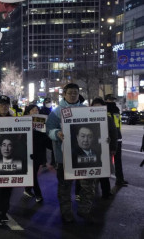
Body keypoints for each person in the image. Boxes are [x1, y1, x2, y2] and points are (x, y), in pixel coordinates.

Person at [46, 83, 96, 223]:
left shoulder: (86, 110)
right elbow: (49, 129)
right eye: (70, 93)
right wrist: (57, 133)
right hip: (64, 158)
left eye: (75, 92)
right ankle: (66, 213)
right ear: (64, 94)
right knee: (64, 187)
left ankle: (84, 210)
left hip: (85, 157)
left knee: (88, 186)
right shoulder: (57, 112)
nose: (73, 95)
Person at [0, 95, 15, 226]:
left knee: (8, 188)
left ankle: (4, 211)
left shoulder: (16, 121)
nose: (3, 107)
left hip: (11, 160)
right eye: (1, 104)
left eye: (6, 104)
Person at [23, 104, 51, 203]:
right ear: (28, 112)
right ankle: (38, 194)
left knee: (32, 173)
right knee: (32, 174)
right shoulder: (23, 122)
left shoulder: (41, 123)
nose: (35, 112)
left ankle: (27, 189)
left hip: (39, 152)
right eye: (33, 110)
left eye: (37, 110)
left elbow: (45, 139)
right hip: (27, 152)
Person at [91, 97, 117, 199]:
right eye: (95, 106)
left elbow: (114, 134)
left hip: (104, 149)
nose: (97, 108)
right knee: (91, 172)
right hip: (91, 150)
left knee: (104, 172)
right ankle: (89, 192)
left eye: (99, 106)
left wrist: (113, 147)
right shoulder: (86, 117)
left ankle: (106, 192)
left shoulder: (108, 119)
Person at [105, 94, 128, 186]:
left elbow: (118, 125)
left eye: (113, 99)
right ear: (106, 100)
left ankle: (120, 179)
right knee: (105, 160)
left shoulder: (116, 110)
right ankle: (102, 183)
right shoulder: (103, 110)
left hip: (117, 138)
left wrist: (119, 136)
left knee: (118, 160)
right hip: (107, 138)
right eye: (110, 99)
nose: (112, 101)